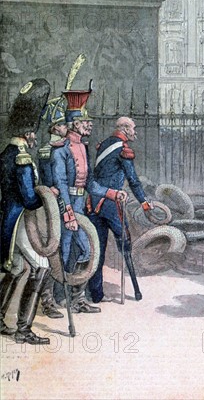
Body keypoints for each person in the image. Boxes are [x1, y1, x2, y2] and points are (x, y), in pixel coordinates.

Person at [51, 84, 128, 313]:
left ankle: (77, 299)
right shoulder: (60, 150)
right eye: (86, 122)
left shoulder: (83, 148)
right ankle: (57, 299)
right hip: (65, 207)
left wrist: (113, 193)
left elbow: (90, 184)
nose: (90, 125)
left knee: (87, 251)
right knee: (64, 252)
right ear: (75, 124)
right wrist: (68, 214)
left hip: (79, 207)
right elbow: (61, 184)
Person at [0, 79, 52, 345]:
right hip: (20, 219)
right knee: (41, 266)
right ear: (28, 132)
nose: (35, 137)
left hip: (8, 220)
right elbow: (30, 199)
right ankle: (23, 330)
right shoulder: (22, 158)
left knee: (17, 268)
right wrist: (48, 198)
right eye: (34, 132)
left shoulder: (5, 153)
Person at [88, 117, 153, 303]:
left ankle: (96, 294)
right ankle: (136, 291)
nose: (135, 132)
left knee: (97, 248)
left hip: (94, 202)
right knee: (125, 243)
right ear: (124, 129)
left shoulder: (104, 144)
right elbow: (133, 180)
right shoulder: (123, 149)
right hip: (111, 204)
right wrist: (144, 203)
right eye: (133, 128)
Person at [37, 95, 69, 319]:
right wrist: (54, 190)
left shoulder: (62, 147)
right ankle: (47, 300)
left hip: (62, 203)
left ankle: (61, 295)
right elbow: (50, 182)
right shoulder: (47, 149)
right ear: (55, 127)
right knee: (51, 251)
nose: (67, 127)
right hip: (51, 206)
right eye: (63, 123)